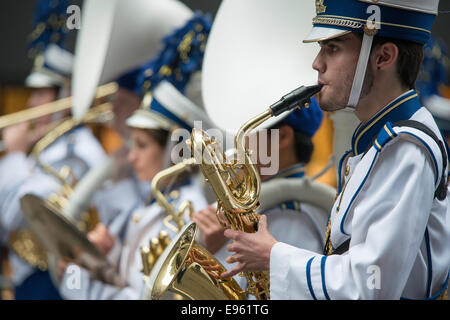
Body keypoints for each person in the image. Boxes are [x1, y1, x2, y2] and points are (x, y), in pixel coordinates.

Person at [221, 0, 450, 300]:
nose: (317, 63)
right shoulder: (383, 141)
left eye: (332, 48)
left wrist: (272, 256)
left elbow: (371, 286)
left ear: (383, 56)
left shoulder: (406, 148)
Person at [57, 13, 213, 300]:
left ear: (174, 150)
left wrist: (77, 276)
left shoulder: (185, 211)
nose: (131, 157)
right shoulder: (158, 198)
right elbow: (132, 276)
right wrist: (104, 254)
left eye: (141, 146)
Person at [0, 0, 107, 300]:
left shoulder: (82, 152)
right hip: (24, 279)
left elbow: (15, 213)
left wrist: (14, 155)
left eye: (42, 93)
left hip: (54, 284)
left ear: (65, 94)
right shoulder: (41, 148)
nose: (33, 104)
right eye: (32, 93)